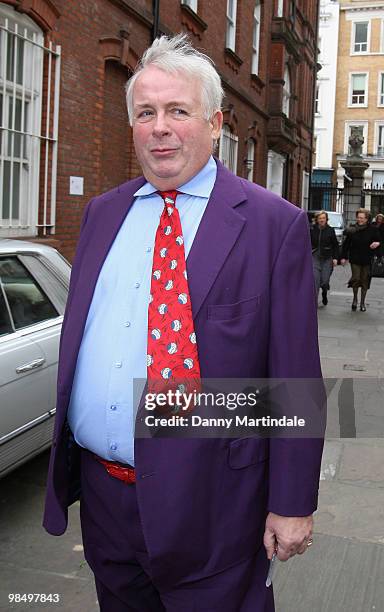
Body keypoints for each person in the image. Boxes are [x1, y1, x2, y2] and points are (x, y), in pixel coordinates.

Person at [43, 34, 324, 612]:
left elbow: (294, 376)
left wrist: (292, 501)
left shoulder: (273, 226)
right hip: (106, 501)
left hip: (217, 506)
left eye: (178, 111)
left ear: (215, 122)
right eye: (146, 113)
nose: (160, 127)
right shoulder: (103, 213)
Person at [341, 208, 381, 311]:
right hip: (355, 258)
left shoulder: (373, 229)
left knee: (364, 280)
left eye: (362, 218)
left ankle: (362, 302)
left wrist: (377, 243)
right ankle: (355, 299)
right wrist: (343, 257)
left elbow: (379, 241)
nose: (359, 220)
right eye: (358, 217)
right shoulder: (352, 229)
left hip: (367, 258)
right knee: (356, 278)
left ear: (367, 219)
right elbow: (346, 245)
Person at [310, 210, 339, 306]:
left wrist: (335, 258)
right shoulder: (312, 229)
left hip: (327, 258)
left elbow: (335, 245)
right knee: (315, 281)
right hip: (315, 257)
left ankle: (324, 292)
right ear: (317, 220)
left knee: (325, 281)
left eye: (323, 218)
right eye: (320, 218)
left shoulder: (330, 230)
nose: (322, 220)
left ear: (326, 219)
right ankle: (314, 303)